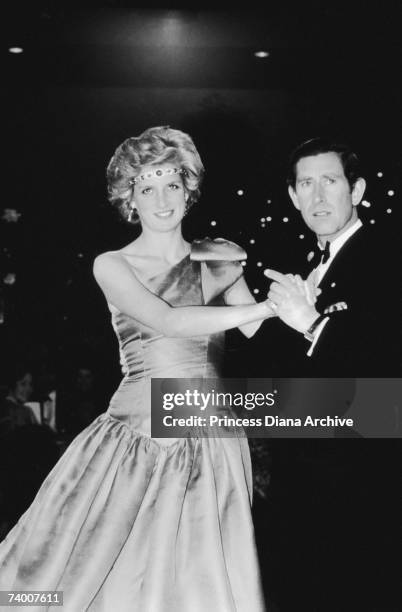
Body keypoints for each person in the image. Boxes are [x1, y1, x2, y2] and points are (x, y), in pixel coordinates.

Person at [0, 126, 277, 611]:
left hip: (213, 437)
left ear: (188, 187)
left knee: (201, 576)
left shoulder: (220, 257)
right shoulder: (113, 264)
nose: (161, 198)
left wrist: (304, 299)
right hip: (141, 434)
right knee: (100, 566)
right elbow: (170, 322)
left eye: (171, 184)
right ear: (130, 197)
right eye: (146, 187)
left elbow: (260, 336)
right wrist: (269, 309)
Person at [263, 137, 400, 377]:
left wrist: (312, 322)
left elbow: (386, 359)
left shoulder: (390, 257)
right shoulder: (296, 263)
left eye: (330, 181)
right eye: (307, 184)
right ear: (295, 197)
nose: (318, 197)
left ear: (355, 191)